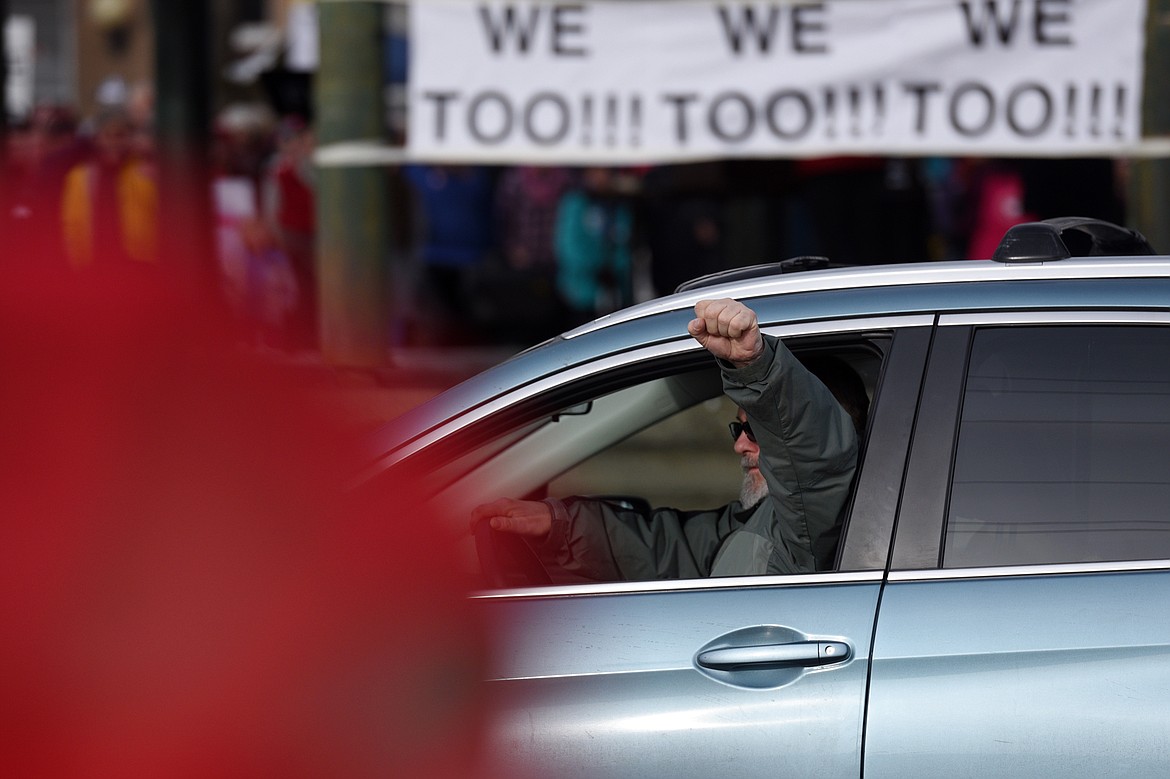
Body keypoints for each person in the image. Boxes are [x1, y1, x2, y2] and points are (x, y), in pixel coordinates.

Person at [471, 298, 863, 580]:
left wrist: (756, 369)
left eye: (757, 430)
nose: (739, 445)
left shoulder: (817, 516)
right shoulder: (760, 522)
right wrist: (561, 526)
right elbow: (672, 550)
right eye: (738, 428)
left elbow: (812, 457)